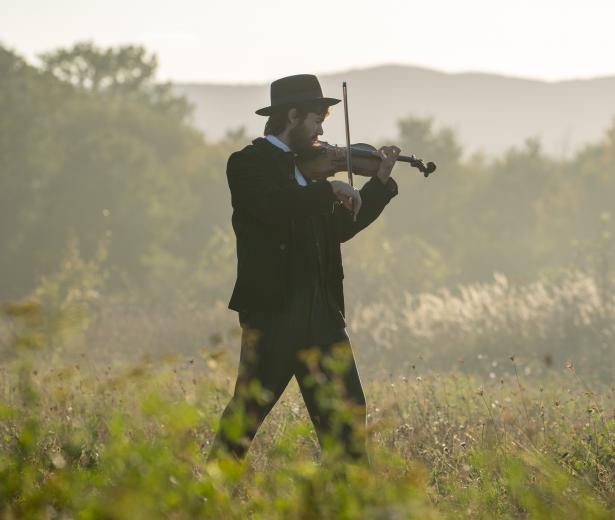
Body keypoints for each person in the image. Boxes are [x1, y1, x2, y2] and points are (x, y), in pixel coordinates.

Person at [207, 74, 400, 465]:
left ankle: (345, 502)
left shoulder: (315, 174)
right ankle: (208, 496)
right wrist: (326, 190)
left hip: (323, 312)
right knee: (247, 414)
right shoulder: (248, 164)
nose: (321, 131)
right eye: (315, 120)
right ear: (291, 116)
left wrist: (377, 186)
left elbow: (341, 229)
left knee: (347, 414)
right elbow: (274, 208)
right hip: (274, 313)